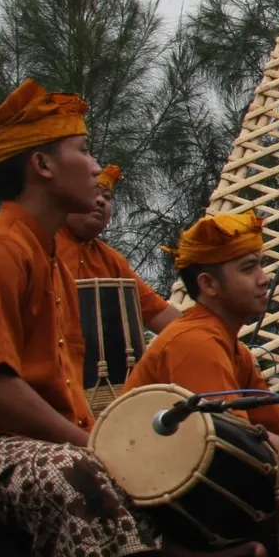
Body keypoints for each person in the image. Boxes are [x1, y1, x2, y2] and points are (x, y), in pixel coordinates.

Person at [0, 79, 263, 557]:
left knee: (148, 463)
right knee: (73, 472)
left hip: (46, 439)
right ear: (42, 166)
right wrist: (94, 445)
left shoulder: (49, 257)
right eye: (83, 149)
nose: (98, 166)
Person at [122, 210, 279, 437]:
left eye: (260, 265)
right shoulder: (196, 342)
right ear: (209, 284)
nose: (264, 278)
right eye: (248, 268)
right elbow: (238, 441)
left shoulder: (237, 352)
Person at [57, 163, 178, 400]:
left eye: (107, 196)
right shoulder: (40, 244)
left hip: (105, 393)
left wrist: (210, 336)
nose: (101, 202)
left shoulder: (110, 260)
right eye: (94, 193)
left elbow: (159, 314)